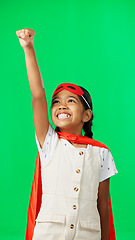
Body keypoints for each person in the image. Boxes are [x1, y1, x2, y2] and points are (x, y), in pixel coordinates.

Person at [16, 28, 118, 240]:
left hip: (88, 234)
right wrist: (28, 48)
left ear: (87, 115)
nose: (61, 106)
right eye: (57, 102)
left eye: (71, 101)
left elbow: (103, 204)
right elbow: (37, 95)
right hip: (49, 233)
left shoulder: (101, 153)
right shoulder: (50, 142)